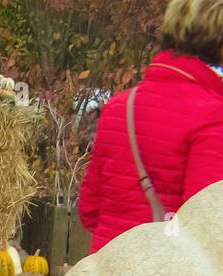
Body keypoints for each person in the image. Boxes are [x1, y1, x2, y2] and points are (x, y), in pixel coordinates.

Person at [78, 0, 223, 251]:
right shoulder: (213, 115)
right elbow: (209, 225)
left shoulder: (119, 106)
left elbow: (89, 210)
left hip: (105, 273)